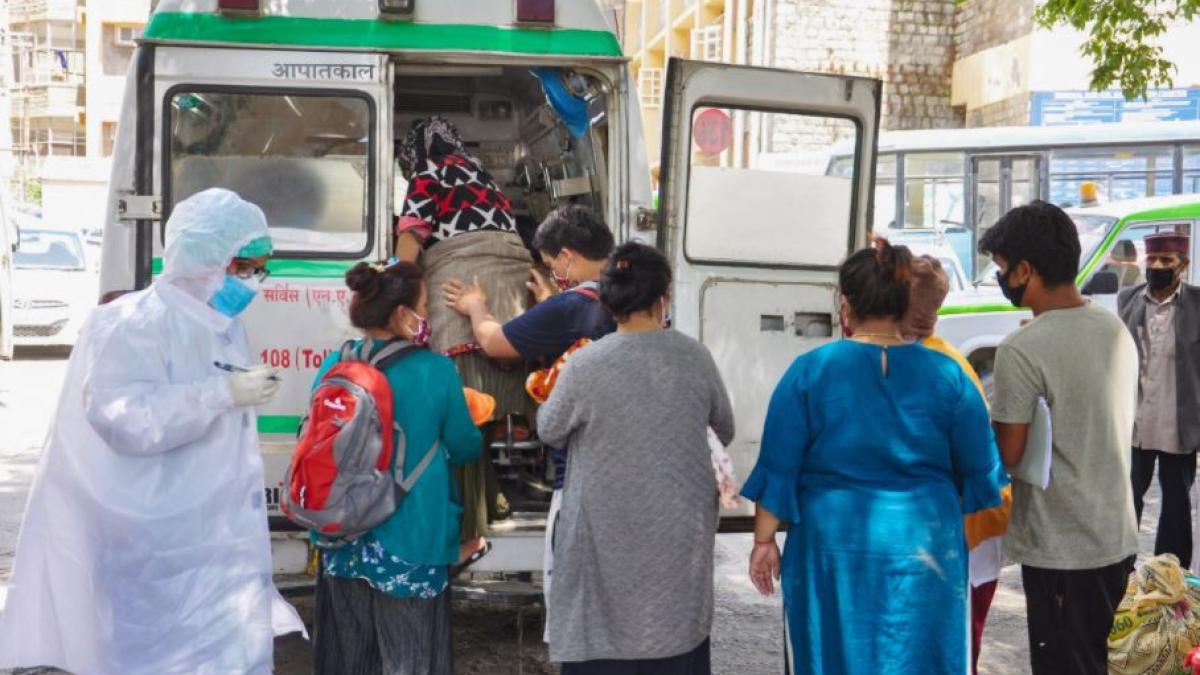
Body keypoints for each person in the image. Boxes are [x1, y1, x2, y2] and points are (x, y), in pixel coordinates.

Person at [0, 188, 304, 674]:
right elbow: (124, 419)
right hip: (154, 541)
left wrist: (233, 391)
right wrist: (222, 393)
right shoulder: (128, 323)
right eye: (245, 267)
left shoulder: (224, 325)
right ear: (207, 258)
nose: (254, 280)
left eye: (260, 268)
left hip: (217, 538)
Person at [742, 239, 1006, 675]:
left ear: (845, 306)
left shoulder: (809, 372)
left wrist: (763, 541)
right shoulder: (950, 376)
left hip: (832, 546)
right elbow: (981, 471)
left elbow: (778, 467)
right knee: (922, 656)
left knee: (832, 653)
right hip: (926, 544)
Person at [536, 242, 734, 673]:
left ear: (607, 301)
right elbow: (725, 429)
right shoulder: (694, 357)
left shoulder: (585, 363)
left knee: (602, 640)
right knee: (674, 635)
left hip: (603, 527)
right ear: (663, 297)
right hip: (678, 529)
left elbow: (549, 428)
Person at [981, 200, 1139, 675]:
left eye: (1003, 269)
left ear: (1025, 270)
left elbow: (1008, 453)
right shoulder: (1113, 327)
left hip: (1061, 548)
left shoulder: (1023, 348)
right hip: (1115, 535)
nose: (1001, 279)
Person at [313, 261, 482, 675]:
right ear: (404, 314)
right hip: (409, 538)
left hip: (343, 535)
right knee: (409, 658)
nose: (427, 315)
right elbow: (464, 447)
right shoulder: (435, 371)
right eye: (424, 305)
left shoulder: (334, 365)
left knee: (352, 659)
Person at [443, 204, 617, 610]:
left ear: (567, 256)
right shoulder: (630, 292)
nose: (551, 269)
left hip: (582, 465)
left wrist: (474, 307)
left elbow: (495, 342)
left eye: (550, 262)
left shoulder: (571, 305)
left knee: (575, 585)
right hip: (627, 455)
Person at [395, 115, 535, 565]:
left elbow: (408, 249)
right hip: (508, 289)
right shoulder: (481, 175)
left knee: (457, 408)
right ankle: (496, 494)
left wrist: (397, 298)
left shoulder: (425, 175)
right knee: (495, 402)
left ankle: (465, 528)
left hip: (460, 285)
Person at [899, 252, 1012, 675]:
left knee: (952, 643)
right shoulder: (943, 358)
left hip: (962, 531)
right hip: (969, 529)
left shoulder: (931, 366)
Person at [1119, 232, 1200, 566]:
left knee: (1177, 503)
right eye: (1151, 260)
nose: (1156, 267)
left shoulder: (1197, 304)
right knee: (1126, 500)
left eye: (1166, 261)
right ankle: (1118, 572)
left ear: (1183, 265)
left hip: (1178, 421)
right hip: (1135, 423)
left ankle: (1170, 577)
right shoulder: (1128, 299)